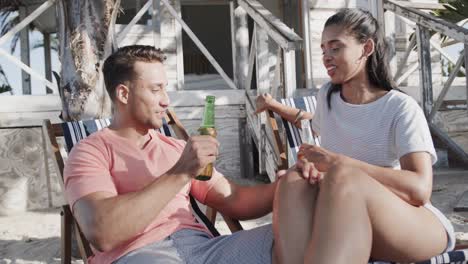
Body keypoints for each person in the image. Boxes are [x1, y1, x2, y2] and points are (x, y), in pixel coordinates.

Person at [256, 8, 455, 264]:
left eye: (336, 48)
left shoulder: (399, 108)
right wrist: (311, 164)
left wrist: (338, 163)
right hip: (346, 218)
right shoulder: (327, 99)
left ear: (367, 47)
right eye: (323, 49)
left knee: (344, 177)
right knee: (293, 179)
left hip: (412, 225)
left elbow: (419, 190)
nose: (326, 57)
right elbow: (307, 121)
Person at [63, 45, 278, 264]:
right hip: (142, 254)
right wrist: (180, 172)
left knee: (292, 235)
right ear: (124, 94)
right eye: (156, 90)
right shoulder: (89, 153)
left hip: (205, 249)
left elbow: (234, 198)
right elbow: (102, 231)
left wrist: (283, 185)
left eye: (165, 89)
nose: (166, 100)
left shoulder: (176, 148)